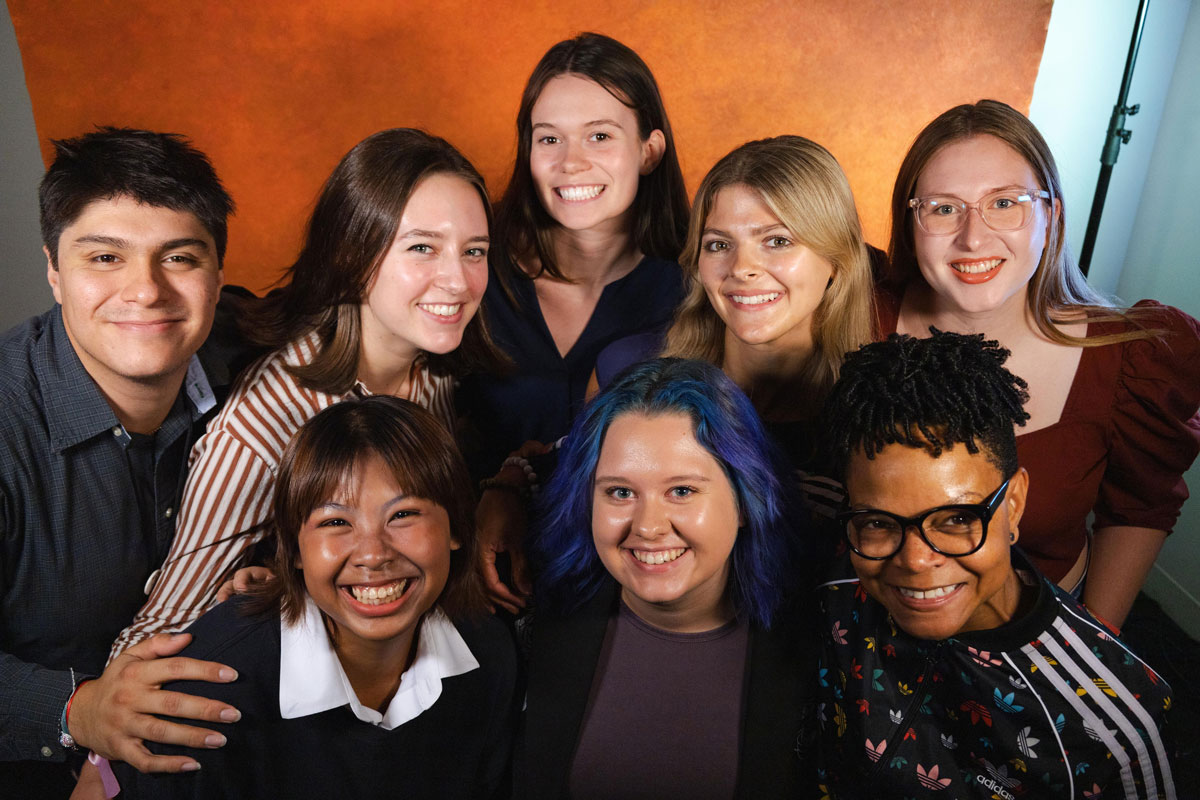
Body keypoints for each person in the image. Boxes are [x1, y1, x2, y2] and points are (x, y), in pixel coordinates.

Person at [110, 128, 502, 658]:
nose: (457, 281)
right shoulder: (266, 422)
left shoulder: (435, 369)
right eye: (422, 248)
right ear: (353, 256)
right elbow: (160, 627)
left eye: (473, 251)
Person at [0, 128, 255, 795]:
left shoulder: (254, 367)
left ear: (219, 274)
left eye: (179, 258)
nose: (145, 291)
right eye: (106, 258)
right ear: (54, 271)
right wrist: (77, 708)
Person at [879, 99, 1200, 627]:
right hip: (871, 629)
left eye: (1005, 203)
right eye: (943, 208)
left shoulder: (1128, 360)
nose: (973, 237)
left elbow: (1139, 510)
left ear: (1050, 216)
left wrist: (1095, 643)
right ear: (911, 222)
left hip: (1041, 634)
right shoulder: (860, 318)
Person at [817, 330, 1175, 799]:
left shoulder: (1113, 723)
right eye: (880, 522)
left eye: (958, 518)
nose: (916, 561)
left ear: (1015, 505)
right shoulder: (838, 589)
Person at [113, 396, 518, 798]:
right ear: (294, 549)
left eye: (402, 514)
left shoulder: (490, 657)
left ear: (456, 530)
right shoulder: (209, 694)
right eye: (336, 521)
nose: (373, 554)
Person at [457, 32, 690, 611]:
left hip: (634, 585)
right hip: (473, 579)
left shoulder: (692, 290)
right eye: (549, 138)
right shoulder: (471, 275)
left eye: (601, 136)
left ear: (650, 150)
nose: (571, 162)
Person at [520, 358, 817, 799]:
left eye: (682, 491)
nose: (648, 526)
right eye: (620, 492)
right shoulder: (530, 629)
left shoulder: (820, 645)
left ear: (745, 499)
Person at [602, 135, 875, 478]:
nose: (741, 268)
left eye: (778, 241)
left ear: (836, 259)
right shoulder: (624, 374)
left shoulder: (879, 419)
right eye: (718, 244)